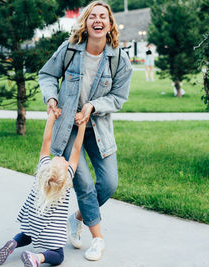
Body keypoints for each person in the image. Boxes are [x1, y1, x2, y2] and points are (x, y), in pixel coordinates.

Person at [38, 1, 133, 261]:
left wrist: (93, 105)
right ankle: (98, 239)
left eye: (103, 16)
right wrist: (51, 98)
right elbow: (47, 75)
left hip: (98, 128)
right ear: (86, 22)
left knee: (109, 183)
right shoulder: (69, 49)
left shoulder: (119, 59)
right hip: (68, 128)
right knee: (85, 185)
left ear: (110, 24)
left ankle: (78, 216)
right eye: (93, 16)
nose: (98, 20)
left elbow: (118, 98)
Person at [0, 111, 87, 266]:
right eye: (62, 160)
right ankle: (37, 258)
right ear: (65, 178)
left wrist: (50, 118)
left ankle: (13, 243)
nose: (62, 157)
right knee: (58, 256)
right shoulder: (65, 183)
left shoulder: (42, 172)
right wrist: (82, 126)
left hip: (32, 220)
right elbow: (76, 150)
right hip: (50, 230)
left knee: (27, 235)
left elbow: (46, 141)